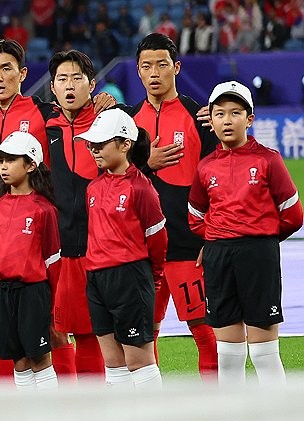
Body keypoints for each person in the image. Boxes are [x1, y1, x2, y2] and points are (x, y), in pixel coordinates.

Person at [0, 39, 74, 383]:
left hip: (40, 237)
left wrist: (102, 103)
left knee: (55, 330)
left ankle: (70, 405)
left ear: (22, 73)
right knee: (2, 329)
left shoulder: (46, 114)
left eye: (6, 68)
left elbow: (86, 128)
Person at [188, 81, 303, 386]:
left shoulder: (268, 160)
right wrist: (216, 238)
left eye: (236, 112)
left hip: (258, 256)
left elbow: (293, 215)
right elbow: (195, 216)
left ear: (250, 119)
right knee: (227, 355)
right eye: (220, 113)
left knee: (264, 353)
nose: (227, 120)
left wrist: (261, 238)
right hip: (219, 257)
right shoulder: (205, 167)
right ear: (210, 120)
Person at [126, 33, 219, 377]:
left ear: (176, 68)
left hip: (188, 248)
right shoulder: (127, 121)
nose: (154, 73)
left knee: (207, 335)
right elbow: (111, 175)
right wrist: (145, 162)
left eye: (162, 64)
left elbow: (218, 182)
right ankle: (151, 414)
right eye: (146, 65)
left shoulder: (201, 117)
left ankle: (215, 412)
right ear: (137, 71)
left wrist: (212, 238)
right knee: (142, 338)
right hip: (141, 251)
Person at [76, 108, 167, 389]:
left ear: (125, 144)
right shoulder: (93, 188)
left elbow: (158, 239)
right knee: (113, 363)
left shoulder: (142, 188)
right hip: (97, 278)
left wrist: (149, 278)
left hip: (131, 276)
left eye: (101, 144)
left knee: (139, 361)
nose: (94, 149)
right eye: (91, 144)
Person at [0, 131, 62, 390]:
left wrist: (51, 305)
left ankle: (49, 416)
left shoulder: (44, 209)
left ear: (30, 165)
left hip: (33, 292)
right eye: (1, 160)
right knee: (18, 360)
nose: (3, 166)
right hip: (3, 293)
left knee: (39, 358)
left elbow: (52, 260)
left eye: (11, 160)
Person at [45, 50, 108, 379]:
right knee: (69, 332)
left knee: (115, 333)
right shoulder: (47, 128)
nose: (69, 86)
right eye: (62, 79)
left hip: (106, 250)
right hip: (64, 250)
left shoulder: (108, 123)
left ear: (92, 84)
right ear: (53, 88)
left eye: (77, 78)